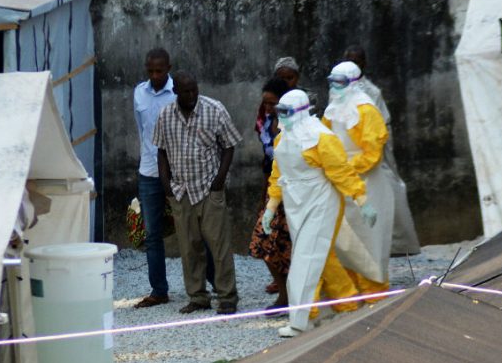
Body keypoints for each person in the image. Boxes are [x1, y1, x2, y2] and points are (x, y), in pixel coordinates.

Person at [263, 89, 375, 337]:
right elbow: (278, 174)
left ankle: (301, 320)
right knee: (319, 257)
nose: (283, 117)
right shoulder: (282, 139)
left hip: (322, 202)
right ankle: (347, 303)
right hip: (295, 205)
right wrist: (271, 206)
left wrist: (361, 198)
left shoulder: (321, 138)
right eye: (280, 111)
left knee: (305, 259)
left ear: (302, 111)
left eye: (287, 112)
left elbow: (341, 171)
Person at [155, 72, 242, 315]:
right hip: (181, 191)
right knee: (189, 247)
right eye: (186, 91)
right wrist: (166, 185)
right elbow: (161, 152)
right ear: (176, 92)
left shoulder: (214, 109)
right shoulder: (165, 116)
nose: (192, 95)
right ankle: (198, 296)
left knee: (219, 246)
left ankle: (227, 297)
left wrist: (219, 180)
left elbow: (229, 146)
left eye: (194, 90)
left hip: (209, 188)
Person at [322, 61, 394, 300]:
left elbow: (372, 153)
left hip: (367, 184)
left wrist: (344, 169)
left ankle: (374, 294)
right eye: (332, 81)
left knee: (368, 239)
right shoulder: (332, 109)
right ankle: (350, 293)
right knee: (343, 238)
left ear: (353, 83)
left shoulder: (366, 110)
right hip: (341, 182)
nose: (335, 87)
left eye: (340, 82)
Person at [343, 45, 421, 255]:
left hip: (372, 147)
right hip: (350, 147)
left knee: (384, 187)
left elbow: (376, 125)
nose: (354, 65)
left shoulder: (370, 92)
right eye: (351, 61)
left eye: (358, 61)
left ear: (364, 64)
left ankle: (396, 242)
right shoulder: (340, 89)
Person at [132, 48, 175, 309]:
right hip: (148, 170)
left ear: (168, 67)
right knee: (152, 234)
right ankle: (159, 290)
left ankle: (208, 286)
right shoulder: (139, 92)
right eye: (150, 71)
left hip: (178, 171)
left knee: (193, 231)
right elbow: (142, 129)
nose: (155, 75)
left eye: (160, 70)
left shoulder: (179, 91)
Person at [248, 77, 292, 312]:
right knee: (264, 243)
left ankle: (296, 297)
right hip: (273, 189)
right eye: (265, 103)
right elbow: (268, 162)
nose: (268, 108)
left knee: (289, 247)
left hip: (294, 192)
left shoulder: (293, 124)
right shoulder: (265, 122)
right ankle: (284, 295)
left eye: (272, 103)